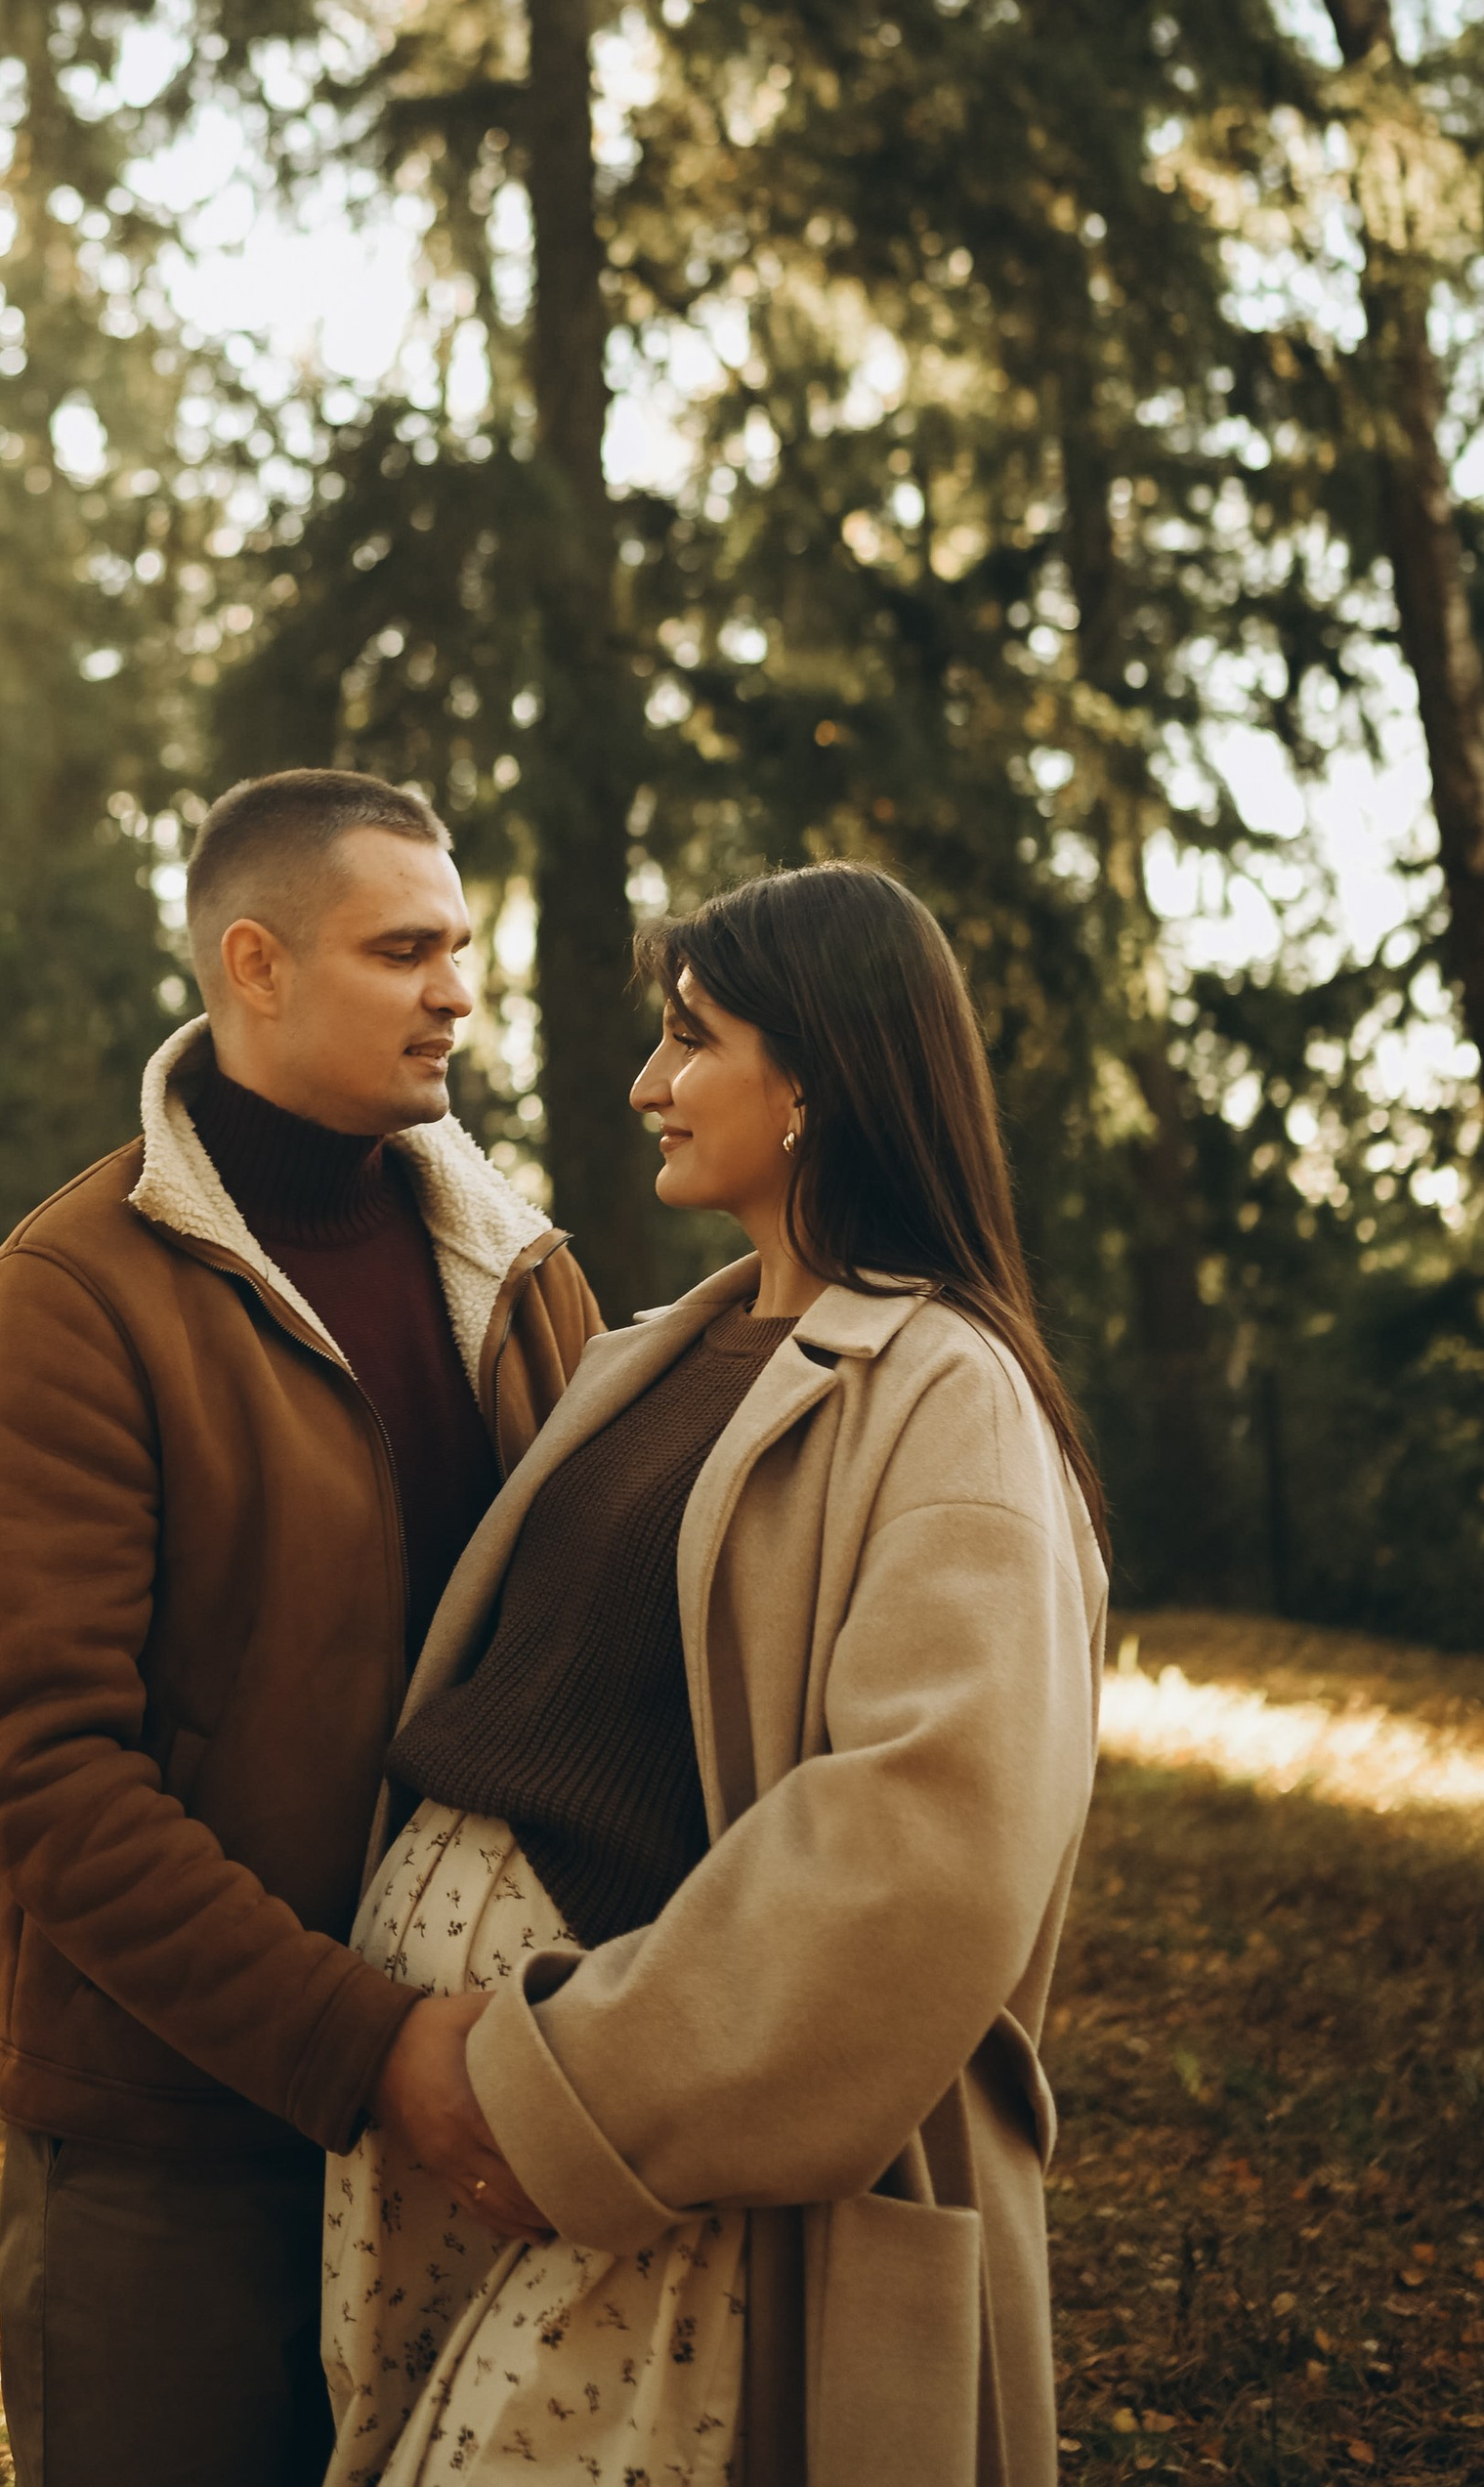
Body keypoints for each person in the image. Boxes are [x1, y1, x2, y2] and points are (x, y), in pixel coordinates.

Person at [325, 859, 1110, 2487]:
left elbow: (919, 1853)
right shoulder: (663, 1349)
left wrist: (566, 2091)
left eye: (692, 1038)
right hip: (450, 2155)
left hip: (650, 2185)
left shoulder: (949, 1398)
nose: (647, 1084)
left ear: (813, 1080)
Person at [0, 767, 602, 2487]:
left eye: (460, 950)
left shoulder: (522, 1275)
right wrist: (362, 2048)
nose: (457, 992)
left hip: (487, 2116)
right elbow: (44, 1777)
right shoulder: (69, 1301)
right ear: (257, 963)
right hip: (178, 2158)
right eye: (403, 952)